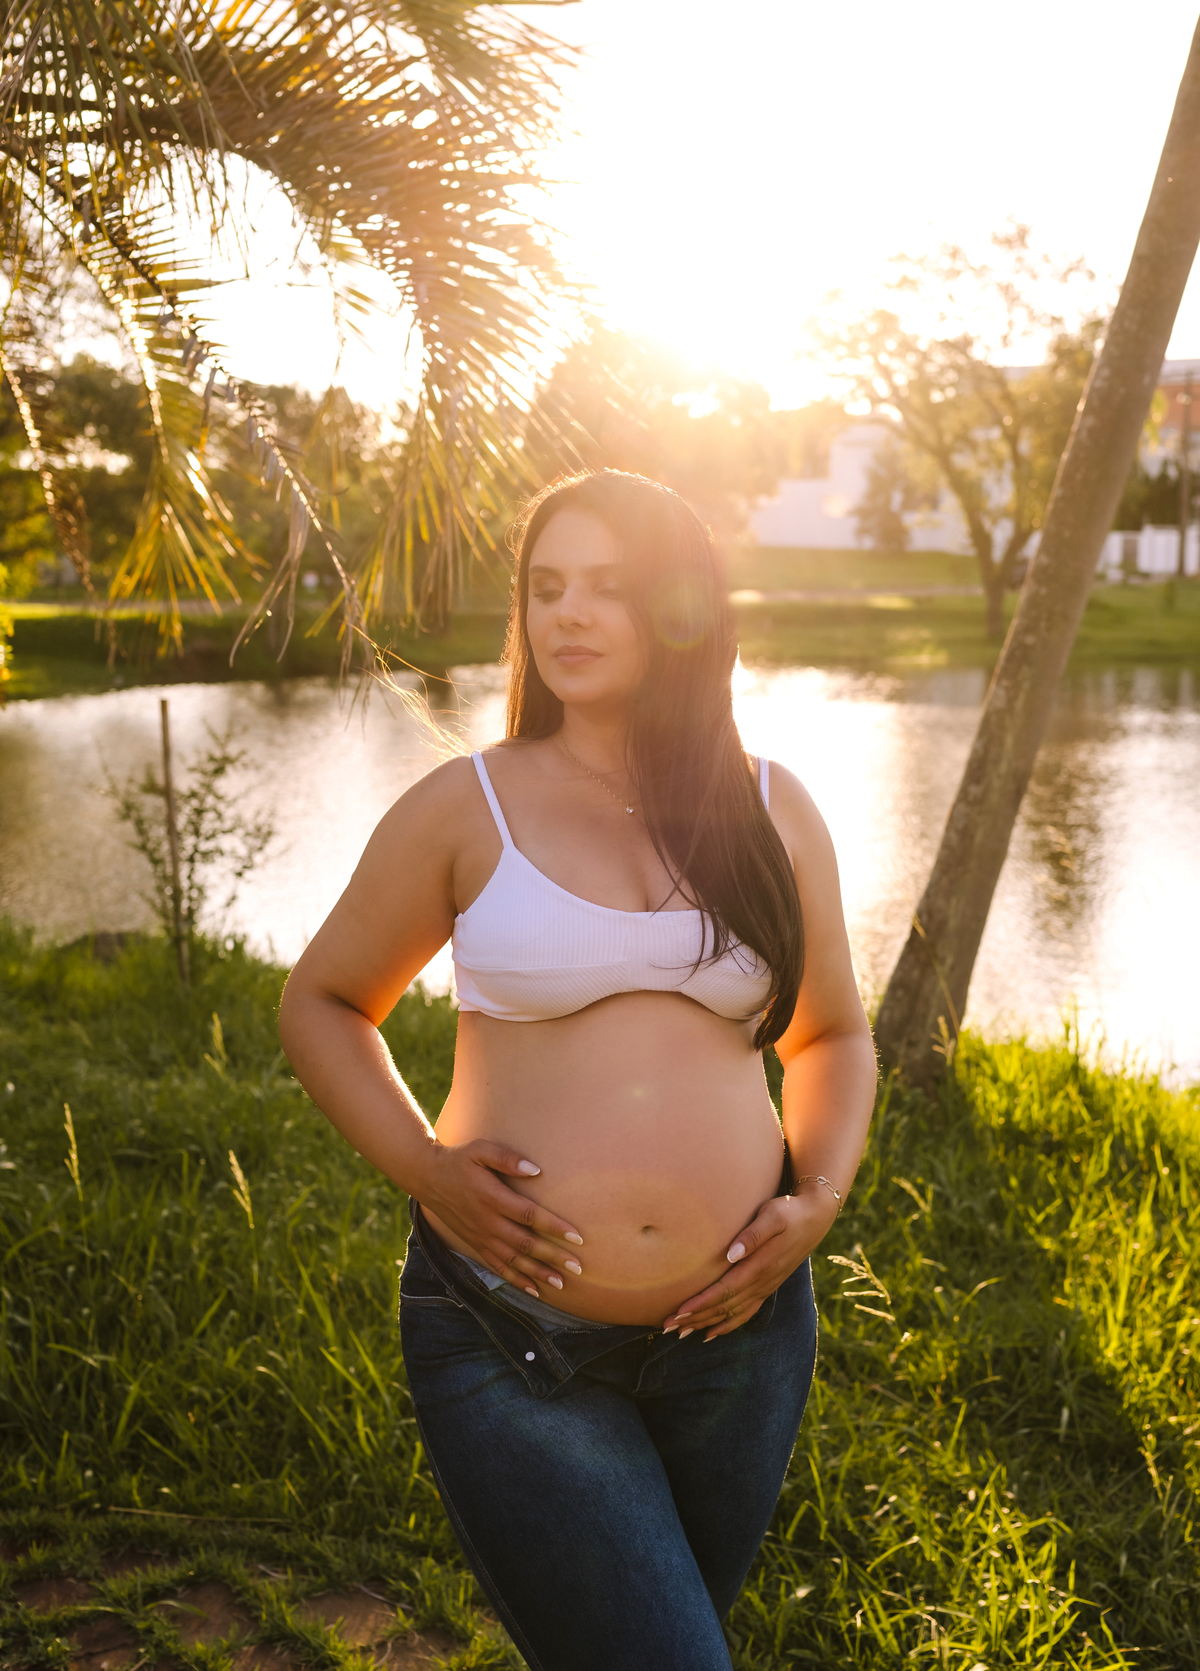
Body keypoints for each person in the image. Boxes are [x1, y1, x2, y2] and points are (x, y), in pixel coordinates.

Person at [279, 469, 877, 1671]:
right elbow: (324, 1000)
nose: (568, 614)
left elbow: (833, 1037)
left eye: (608, 587)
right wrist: (425, 1166)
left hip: (743, 1339)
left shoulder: (774, 807)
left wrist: (814, 1203)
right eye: (547, 588)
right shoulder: (466, 806)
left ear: (680, 609)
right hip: (511, 1337)